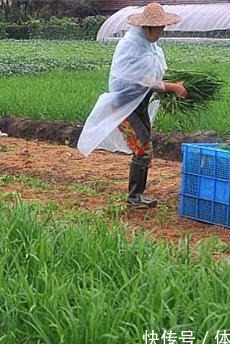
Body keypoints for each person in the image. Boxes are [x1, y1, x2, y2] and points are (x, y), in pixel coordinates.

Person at [77, 2, 187, 208]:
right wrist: (172, 87)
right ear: (147, 27)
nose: (161, 32)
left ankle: (137, 196)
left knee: (146, 147)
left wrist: (170, 85)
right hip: (123, 106)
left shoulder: (150, 46)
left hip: (139, 105)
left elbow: (153, 76)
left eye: (163, 28)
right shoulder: (131, 46)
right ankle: (134, 198)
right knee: (143, 148)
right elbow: (143, 80)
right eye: (159, 28)